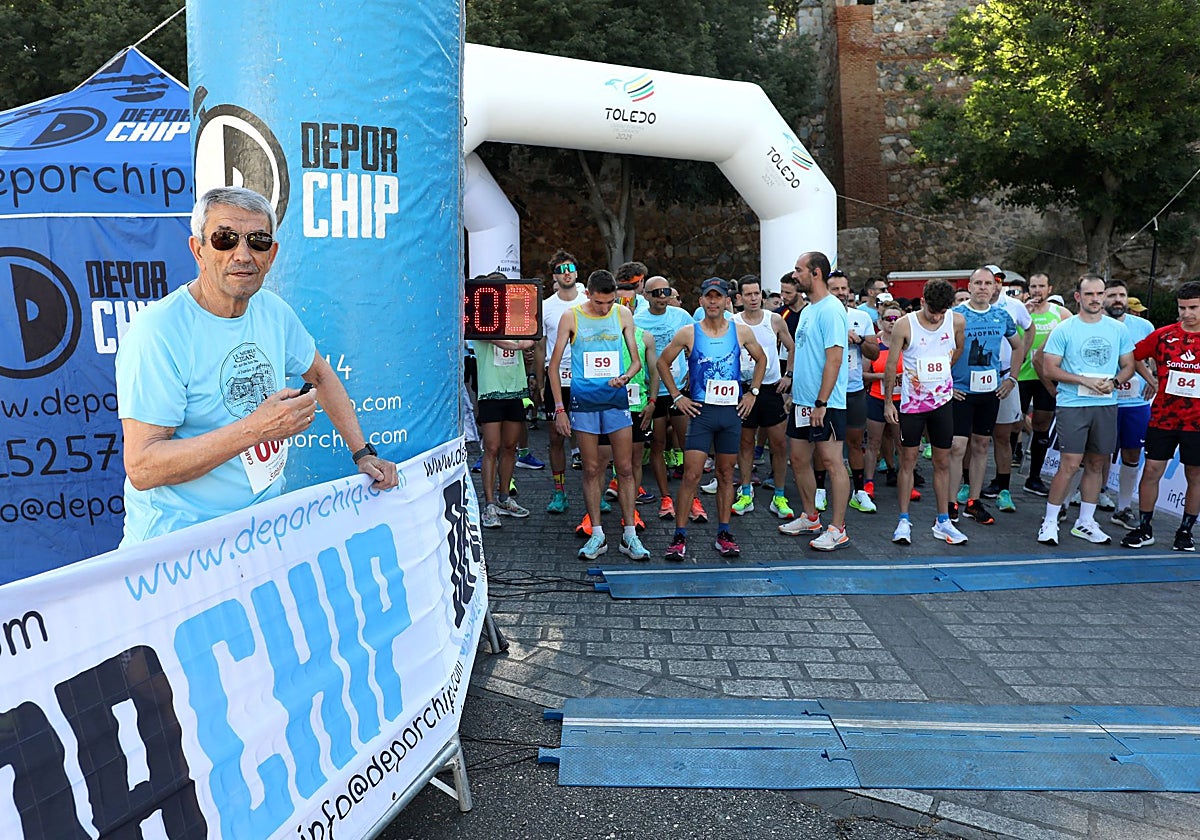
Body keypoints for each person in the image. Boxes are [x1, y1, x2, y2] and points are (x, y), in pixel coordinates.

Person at [117, 186, 399, 544]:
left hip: (262, 535)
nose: (242, 254)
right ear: (198, 250)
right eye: (225, 239)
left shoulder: (273, 311)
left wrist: (362, 453)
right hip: (181, 550)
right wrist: (256, 430)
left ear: (272, 254)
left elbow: (320, 374)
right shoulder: (158, 332)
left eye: (258, 241)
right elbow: (143, 466)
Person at [657, 277, 767, 561]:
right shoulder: (688, 333)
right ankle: (679, 536)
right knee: (692, 475)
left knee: (726, 475)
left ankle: (724, 533)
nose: (714, 302)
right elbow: (662, 362)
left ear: (727, 301)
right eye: (710, 297)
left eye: (719, 297)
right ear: (702, 301)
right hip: (702, 413)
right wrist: (677, 397)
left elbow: (762, 359)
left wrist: (752, 392)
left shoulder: (740, 332)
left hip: (730, 413)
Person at [547, 270, 647, 561]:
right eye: (600, 302)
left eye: (610, 302)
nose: (605, 308)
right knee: (591, 469)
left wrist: (626, 376)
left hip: (616, 401)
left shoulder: (623, 315)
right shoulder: (572, 316)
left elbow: (637, 362)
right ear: (588, 294)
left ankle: (630, 534)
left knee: (625, 468)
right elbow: (553, 367)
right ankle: (598, 534)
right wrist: (559, 409)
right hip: (584, 403)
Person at [1034, 275, 1135, 546]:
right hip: (1073, 405)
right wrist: (1083, 380)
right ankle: (1050, 521)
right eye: (1089, 294)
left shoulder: (1118, 330)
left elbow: (1128, 365)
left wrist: (1114, 382)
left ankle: (1086, 522)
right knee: (1069, 464)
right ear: (1078, 297)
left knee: (1096, 463)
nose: (1095, 299)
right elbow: (1048, 368)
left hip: (1106, 404)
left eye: (1099, 293)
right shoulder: (1065, 329)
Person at [776, 252, 852, 551]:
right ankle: (811, 517)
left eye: (799, 270)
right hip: (803, 401)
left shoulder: (832, 310)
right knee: (798, 459)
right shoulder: (808, 309)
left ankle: (838, 528)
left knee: (833, 462)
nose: (795, 276)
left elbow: (834, 359)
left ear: (816, 273)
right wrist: (796, 393)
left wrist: (821, 401)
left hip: (826, 403)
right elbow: (806, 355)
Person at [883, 279, 968, 545]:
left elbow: (958, 350)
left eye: (942, 313)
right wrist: (888, 402)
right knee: (908, 461)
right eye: (933, 311)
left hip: (942, 403)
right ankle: (904, 520)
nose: (936, 317)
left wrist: (944, 375)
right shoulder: (904, 324)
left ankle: (943, 521)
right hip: (912, 405)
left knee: (942, 462)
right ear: (922, 302)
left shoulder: (956, 321)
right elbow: (890, 365)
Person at [1122, 281, 1200, 551]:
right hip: (1163, 417)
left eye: (1193, 308)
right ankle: (1144, 528)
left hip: (1196, 423)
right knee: (1152, 469)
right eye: (1182, 308)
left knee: (1195, 475)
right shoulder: (1165, 335)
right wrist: (1150, 378)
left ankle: (1185, 531)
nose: (1187, 314)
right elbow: (1132, 355)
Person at [948, 267, 1022, 527]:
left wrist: (1011, 379)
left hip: (989, 391)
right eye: (977, 283)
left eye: (987, 283)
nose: (982, 287)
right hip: (960, 391)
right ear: (969, 286)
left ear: (994, 288)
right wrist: (946, 384)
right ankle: (949, 504)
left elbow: (1018, 346)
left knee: (981, 445)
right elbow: (938, 348)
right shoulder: (955, 315)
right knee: (957, 447)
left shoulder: (1001, 316)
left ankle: (974, 501)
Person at [730, 275, 796, 520]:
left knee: (778, 444)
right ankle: (745, 492)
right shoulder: (733, 322)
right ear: (739, 298)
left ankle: (779, 495)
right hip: (744, 389)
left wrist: (788, 375)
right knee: (745, 443)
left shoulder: (775, 320)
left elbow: (791, 346)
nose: (754, 298)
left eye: (757, 293)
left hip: (770, 387)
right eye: (748, 294)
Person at [636, 275, 697, 519]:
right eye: (657, 292)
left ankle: (693, 499)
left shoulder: (681, 316)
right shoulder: (637, 320)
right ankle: (665, 497)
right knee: (659, 444)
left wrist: (694, 370)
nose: (663, 296)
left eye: (666, 291)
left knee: (687, 444)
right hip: (655, 391)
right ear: (646, 296)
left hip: (679, 389)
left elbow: (696, 343)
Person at [976, 265, 1033, 511]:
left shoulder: (1014, 306)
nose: (992, 285)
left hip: (1004, 377)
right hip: (975, 378)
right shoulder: (966, 309)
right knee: (973, 437)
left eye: (997, 280)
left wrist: (1017, 368)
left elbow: (1029, 329)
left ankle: (1003, 488)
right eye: (986, 281)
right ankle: (969, 485)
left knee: (1003, 436)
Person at [1101, 279, 1156, 530]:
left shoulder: (1143, 325)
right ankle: (1070, 506)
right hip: (1101, 400)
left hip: (1134, 402)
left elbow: (1147, 358)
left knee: (1132, 453)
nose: (1117, 300)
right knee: (1094, 454)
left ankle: (1123, 508)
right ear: (1102, 298)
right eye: (1112, 295)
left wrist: (1152, 380)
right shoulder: (1093, 324)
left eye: (1121, 295)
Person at [828, 269, 880, 514]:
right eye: (835, 288)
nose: (840, 293)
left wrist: (858, 340)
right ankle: (820, 491)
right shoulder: (820, 316)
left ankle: (859, 492)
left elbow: (874, 353)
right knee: (824, 442)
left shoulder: (861, 317)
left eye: (843, 289)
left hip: (853, 389)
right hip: (827, 391)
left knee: (855, 441)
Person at [1017, 273, 1073, 496]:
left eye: (1041, 286)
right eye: (1033, 286)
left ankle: (1034, 477)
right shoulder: (1019, 310)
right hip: (1021, 375)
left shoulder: (1060, 313)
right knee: (1012, 424)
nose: (1037, 290)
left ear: (1049, 289)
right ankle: (1003, 477)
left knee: (1042, 422)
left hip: (1046, 377)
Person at [536, 250, 584, 510]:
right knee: (556, 438)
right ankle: (559, 492)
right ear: (554, 275)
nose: (566, 274)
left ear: (576, 273)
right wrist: (540, 382)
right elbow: (541, 347)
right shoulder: (546, 306)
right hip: (558, 379)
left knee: (592, 437)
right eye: (560, 270)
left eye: (570, 268)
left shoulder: (589, 300)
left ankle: (597, 493)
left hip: (588, 378)